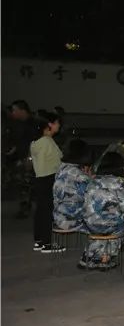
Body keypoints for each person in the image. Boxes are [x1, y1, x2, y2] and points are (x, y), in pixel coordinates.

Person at [82, 152, 124, 270]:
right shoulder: (119, 182)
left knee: (103, 223)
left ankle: (90, 256)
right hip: (110, 226)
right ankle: (106, 258)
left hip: (89, 224)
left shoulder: (92, 180)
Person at [30, 111, 64, 253]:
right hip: (48, 178)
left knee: (41, 210)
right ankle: (47, 243)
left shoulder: (36, 142)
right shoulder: (47, 141)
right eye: (57, 123)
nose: (59, 126)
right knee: (47, 212)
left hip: (40, 178)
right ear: (50, 124)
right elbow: (56, 160)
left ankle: (39, 241)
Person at [53, 139, 93, 232]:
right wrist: (91, 179)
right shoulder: (80, 176)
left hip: (58, 217)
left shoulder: (61, 169)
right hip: (73, 221)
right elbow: (91, 196)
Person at [6, 100, 35, 218]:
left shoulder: (33, 123)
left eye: (15, 110)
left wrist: (29, 158)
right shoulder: (18, 123)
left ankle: (25, 208)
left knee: (26, 184)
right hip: (21, 157)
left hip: (31, 158)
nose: (13, 112)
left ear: (22, 111)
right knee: (22, 184)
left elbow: (35, 143)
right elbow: (20, 141)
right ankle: (25, 206)